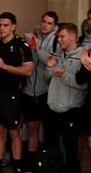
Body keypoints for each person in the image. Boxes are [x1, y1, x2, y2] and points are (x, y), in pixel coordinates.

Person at [0, 12, 34, 173]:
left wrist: (5, 67)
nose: (2, 28)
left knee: (14, 131)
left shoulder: (21, 46)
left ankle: (17, 165)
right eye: (0, 25)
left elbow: (28, 70)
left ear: (13, 26)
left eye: (5, 25)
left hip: (13, 95)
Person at [44, 23, 87, 173]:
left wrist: (64, 76)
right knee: (52, 145)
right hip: (53, 108)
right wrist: (49, 68)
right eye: (58, 37)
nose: (59, 40)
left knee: (71, 146)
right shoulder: (57, 53)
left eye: (62, 36)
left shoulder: (83, 57)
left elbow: (83, 85)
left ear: (73, 36)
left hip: (71, 109)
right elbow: (46, 79)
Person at [21, 11, 59, 171]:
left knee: (50, 132)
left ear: (54, 26)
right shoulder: (32, 36)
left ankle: (51, 165)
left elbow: (52, 60)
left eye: (49, 23)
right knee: (31, 128)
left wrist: (38, 50)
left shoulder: (57, 40)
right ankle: (32, 163)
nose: (45, 25)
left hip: (47, 92)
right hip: (29, 90)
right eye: (44, 21)